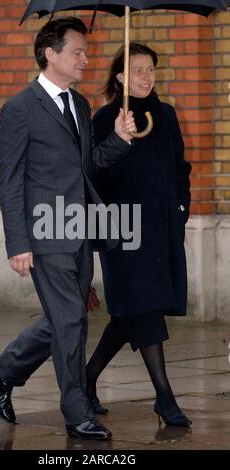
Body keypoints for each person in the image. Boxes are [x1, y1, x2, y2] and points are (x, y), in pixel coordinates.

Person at [0, 17, 136, 440]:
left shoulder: (79, 105)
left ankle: (2, 370)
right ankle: (77, 411)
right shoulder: (20, 109)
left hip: (80, 229)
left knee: (68, 318)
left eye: (86, 51)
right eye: (78, 52)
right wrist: (18, 242)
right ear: (51, 54)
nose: (86, 59)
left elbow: (87, 168)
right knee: (68, 322)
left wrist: (119, 139)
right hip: (44, 234)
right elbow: (9, 180)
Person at [86, 43, 192, 427]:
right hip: (123, 232)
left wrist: (181, 209)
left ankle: (85, 378)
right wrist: (119, 137)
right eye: (137, 71)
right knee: (143, 308)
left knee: (132, 310)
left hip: (162, 230)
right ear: (120, 77)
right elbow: (92, 174)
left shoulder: (165, 115)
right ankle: (165, 398)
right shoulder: (106, 118)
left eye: (150, 70)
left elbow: (181, 168)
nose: (146, 77)